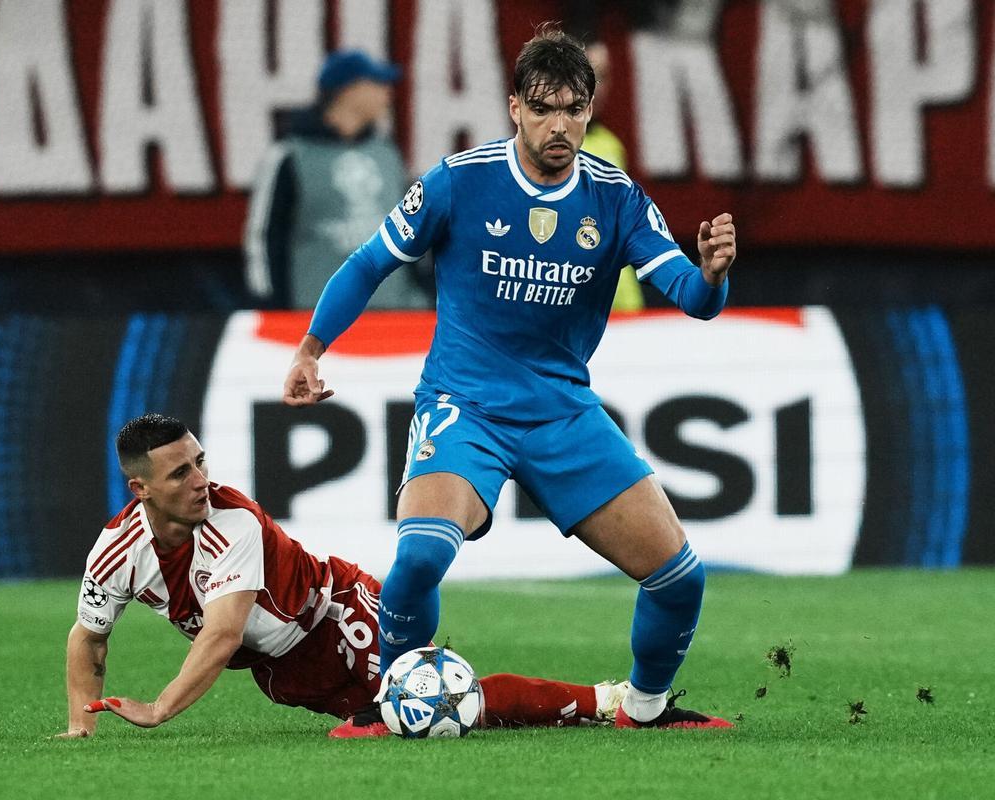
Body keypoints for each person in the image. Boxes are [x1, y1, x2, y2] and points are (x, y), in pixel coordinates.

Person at [283, 25, 737, 729]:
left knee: (679, 577)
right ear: (514, 107)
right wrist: (312, 348)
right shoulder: (460, 181)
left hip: (563, 415)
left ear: (590, 111)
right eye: (545, 107)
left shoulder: (615, 197)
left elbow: (691, 297)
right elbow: (371, 261)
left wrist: (710, 277)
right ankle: (385, 710)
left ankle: (644, 710)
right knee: (419, 561)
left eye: (575, 109)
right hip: (466, 407)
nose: (561, 125)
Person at [57, 413, 631, 740]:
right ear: (141, 490)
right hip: (282, 670)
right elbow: (89, 634)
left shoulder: (231, 521)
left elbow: (222, 634)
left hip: (339, 610)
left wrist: (160, 708)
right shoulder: (116, 552)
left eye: (200, 461)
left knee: (442, 706)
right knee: (400, 727)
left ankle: (608, 701)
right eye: (180, 473)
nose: (201, 479)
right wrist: (81, 722)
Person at [243, 50, 432, 310]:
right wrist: (272, 307)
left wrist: (427, 295)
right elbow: (264, 238)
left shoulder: (387, 153)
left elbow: (415, 227)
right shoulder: (290, 156)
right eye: (376, 84)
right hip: (321, 323)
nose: (386, 93)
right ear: (348, 90)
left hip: (395, 318)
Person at [581, 41, 644, 312]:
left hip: (623, 299)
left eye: (604, 76)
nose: (599, 86)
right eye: (590, 74)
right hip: (572, 300)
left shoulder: (612, 146)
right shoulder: (544, 149)